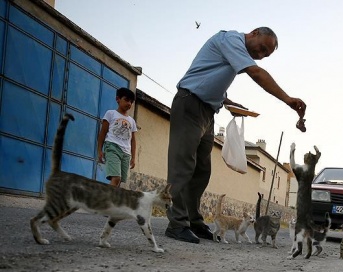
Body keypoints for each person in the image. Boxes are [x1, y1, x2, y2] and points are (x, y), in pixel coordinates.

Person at [165, 27, 306, 244]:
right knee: (182, 165)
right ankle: (177, 224)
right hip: (189, 104)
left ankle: (193, 221)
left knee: (202, 171)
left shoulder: (234, 51)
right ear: (254, 33)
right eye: (261, 49)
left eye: (265, 55)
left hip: (208, 111)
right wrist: (287, 100)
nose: (259, 56)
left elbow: (210, 75)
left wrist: (227, 101)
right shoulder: (230, 39)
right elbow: (256, 73)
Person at [97, 87, 138, 187]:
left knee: (119, 182)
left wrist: (133, 157)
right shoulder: (111, 113)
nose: (129, 104)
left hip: (126, 153)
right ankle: (106, 202)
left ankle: (112, 201)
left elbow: (133, 140)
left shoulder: (131, 121)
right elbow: (103, 132)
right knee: (116, 178)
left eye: (131, 102)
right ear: (118, 99)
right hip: (112, 147)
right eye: (126, 100)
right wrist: (99, 150)